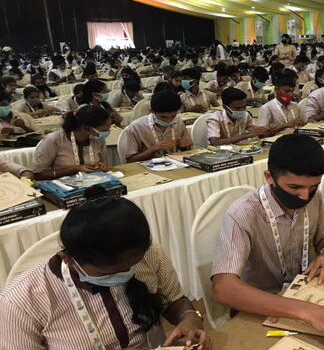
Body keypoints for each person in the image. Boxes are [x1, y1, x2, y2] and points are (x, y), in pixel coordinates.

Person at [0, 186, 209, 350]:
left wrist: (189, 317)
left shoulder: (149, 252)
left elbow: (174, 300)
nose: (125, 275)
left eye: (133, 264)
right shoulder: (20, 302)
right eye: (107, 273)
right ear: (68, 259)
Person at [211, 134, 324, 343]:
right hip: (261, 306)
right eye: (294, 188)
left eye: (313, 187)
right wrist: (309, 312)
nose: (303, 197)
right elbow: (223, 288)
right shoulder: (242, 214)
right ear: (269, 177)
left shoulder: (313, 198)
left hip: (306, 292)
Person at [33, 105, 111, 180]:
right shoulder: (54, 140)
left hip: (92, 183)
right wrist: (74, 169)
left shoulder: (99, 140)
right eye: (104, 130)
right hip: (61, 188)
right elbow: (38, 175)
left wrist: (102, 166)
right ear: (85, 128)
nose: (107, 132)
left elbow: (102, 163)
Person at [125, 90, 192, 162]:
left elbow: (187, 149)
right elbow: (130, 160)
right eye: (163, 117)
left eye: (173, 116)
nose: (168, 121)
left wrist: (183, 146)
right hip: (148, 168)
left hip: (175, 164)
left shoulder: (178, 120)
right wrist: (155, 148)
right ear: (152, 111)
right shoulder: (136, 127)